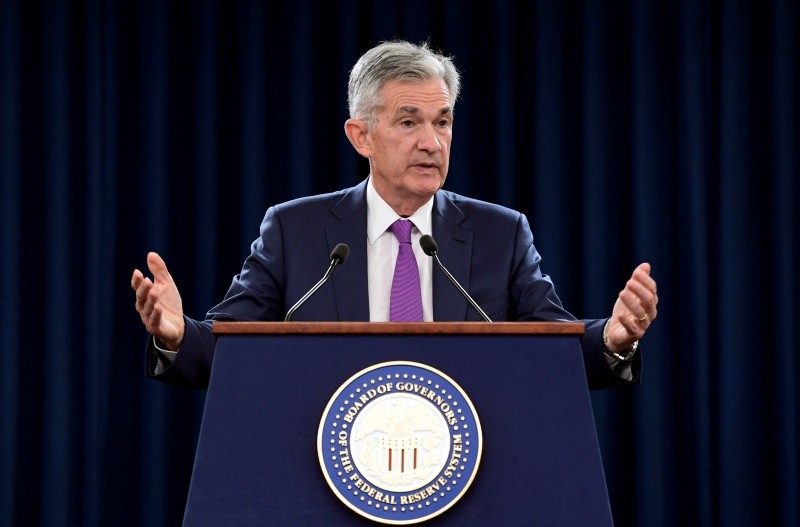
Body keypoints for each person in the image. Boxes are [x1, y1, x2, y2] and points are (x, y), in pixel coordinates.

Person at [131, 40, 658, 390]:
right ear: (361, 136)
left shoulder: (500, 233)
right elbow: (232, 345)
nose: (432, 142)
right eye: (409, 122)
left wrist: (613, 339)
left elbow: (552, 346)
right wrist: (177, 334)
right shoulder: (297, 231)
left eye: (442, 122)